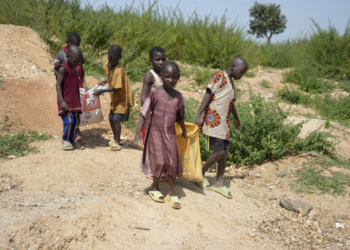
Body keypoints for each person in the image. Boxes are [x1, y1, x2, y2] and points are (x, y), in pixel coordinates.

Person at [134, 61, 187, 209]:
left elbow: (180, 116)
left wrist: (183, 130)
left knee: (171, 162)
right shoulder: (154, 93)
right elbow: (144, 112)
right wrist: (138, 133)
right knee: (158, 160)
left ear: (178, 78)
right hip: (155, 133)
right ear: (162, 77)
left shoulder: (179, 97)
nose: (171, 80)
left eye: (174, 77)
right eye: (167, 76)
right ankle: (155, 187)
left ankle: (172, 192)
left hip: (170, 134)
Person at [194, 57, 248, 199]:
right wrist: (199, 115)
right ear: (233, 66)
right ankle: (201, 172)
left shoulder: (231, 83)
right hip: (214, 121)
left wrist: (236, 119)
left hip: (224, 124)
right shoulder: (219, 76)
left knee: (225, 152)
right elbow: (208, 94)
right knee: (219, 152)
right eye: (241, 72)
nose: (241, 76)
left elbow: (232, 103)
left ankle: (219, 182)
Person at [95, 45, 134, 151]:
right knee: (111, 117)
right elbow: (111, 78)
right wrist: (104, 81)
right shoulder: (107, 65)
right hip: (115, 98)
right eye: (110, 59)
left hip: (123, 98)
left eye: (115, 60)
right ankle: (115, 138)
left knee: (117, 119)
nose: (112, 61)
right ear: (107, 55)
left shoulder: (119, 70)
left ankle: (118, 142)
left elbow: (117, 87)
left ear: (120, 58)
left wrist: (102, 90)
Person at [53, 31, 88, 147]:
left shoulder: (76, 59)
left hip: (75, 97)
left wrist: (83, 84)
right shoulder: (62, 64)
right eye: (76, 61)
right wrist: (62, 101)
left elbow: (81, 71)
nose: (78, 63)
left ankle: (74, 139)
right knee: (68, 120)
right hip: (66, 97)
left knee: (76, 120)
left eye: (79, 62)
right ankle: (66, 140)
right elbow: (58, 82)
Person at [140, 46, 167, 182]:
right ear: (151, 61)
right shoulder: (150, 76)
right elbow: (143, 97)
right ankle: (151, 170)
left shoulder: (166, 74)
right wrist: (149, 115)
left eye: (163, 59)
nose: (161, 62)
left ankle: (162, 170)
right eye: (157, 60)